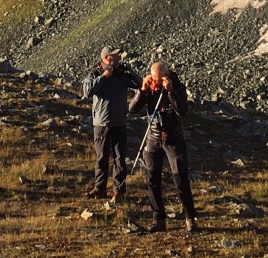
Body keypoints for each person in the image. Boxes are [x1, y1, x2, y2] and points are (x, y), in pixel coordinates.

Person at [127, 60, 197, 233]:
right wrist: (142, 91)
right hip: (153, 137)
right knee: (152, 179)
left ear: (166, 76)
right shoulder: (149, 86)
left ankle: (190, 217)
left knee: (180, 179)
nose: (156, 82)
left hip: (173, 138)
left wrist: (171, 92)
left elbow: (182, 111)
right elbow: (132, 109)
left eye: (159, 79)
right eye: (154, 78)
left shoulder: (177, 86)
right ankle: (158, 219)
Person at [80, 47, 140, 200]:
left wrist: (130, 71)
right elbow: (87, 91)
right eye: (116, 55)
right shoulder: (95, 73)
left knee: (120, 158)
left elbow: (141, 84)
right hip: (102, 123)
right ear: (107, 58)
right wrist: (104, 76)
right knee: (102, 158)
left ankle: (119, 190)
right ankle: (99, 189)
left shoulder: (122, 75)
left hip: (119, 121)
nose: (119, 57)